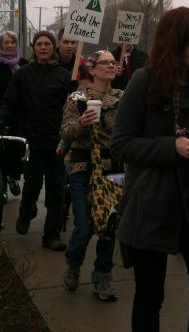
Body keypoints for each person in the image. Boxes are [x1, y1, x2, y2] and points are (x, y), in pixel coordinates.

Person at [111, 7, 189, 332]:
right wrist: (170, 147)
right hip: (152, 204)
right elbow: (121, 144)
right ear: (173, 43)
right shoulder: (144, 82)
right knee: (150, 296)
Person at [0, 30, 72, 251]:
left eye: (48, 43)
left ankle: (52, 235)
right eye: (40, 44)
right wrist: (0, 123)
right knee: (32, 185)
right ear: (34, 47)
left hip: (57, 141)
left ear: (53, 47)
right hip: (32, 141)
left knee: (57, 189)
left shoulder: (63, 76)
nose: (44, 47)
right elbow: (9, 102)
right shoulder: (23, 74)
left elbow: (71, 107)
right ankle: (26, 212)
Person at [60, 50, 123, 302]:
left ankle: (103, 277)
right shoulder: (78, 97)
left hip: (112, 169)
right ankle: (74, 263)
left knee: (108, 226)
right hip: (82, 168)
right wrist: (82, 123)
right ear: (92, 69)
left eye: (113, 63)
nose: (111, 66)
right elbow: (65, 134)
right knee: (84, 226)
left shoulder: (123, 98)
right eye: (105, 63)